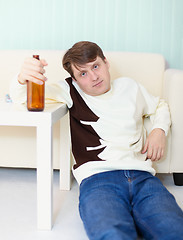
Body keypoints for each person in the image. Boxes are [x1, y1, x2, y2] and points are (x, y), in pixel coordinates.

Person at [10, 41, 183, 239]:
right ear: (74, 79)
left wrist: (158, 130)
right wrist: (22, 78)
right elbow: (20, 98)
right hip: (98, 180)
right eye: (83, 73)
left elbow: (159, 105)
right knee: (110, 233)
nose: (93, 77)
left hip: (143, 177)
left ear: (106, 63)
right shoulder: (70, 90)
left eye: (95, 66)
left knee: (174, 229)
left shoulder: (130, 87)